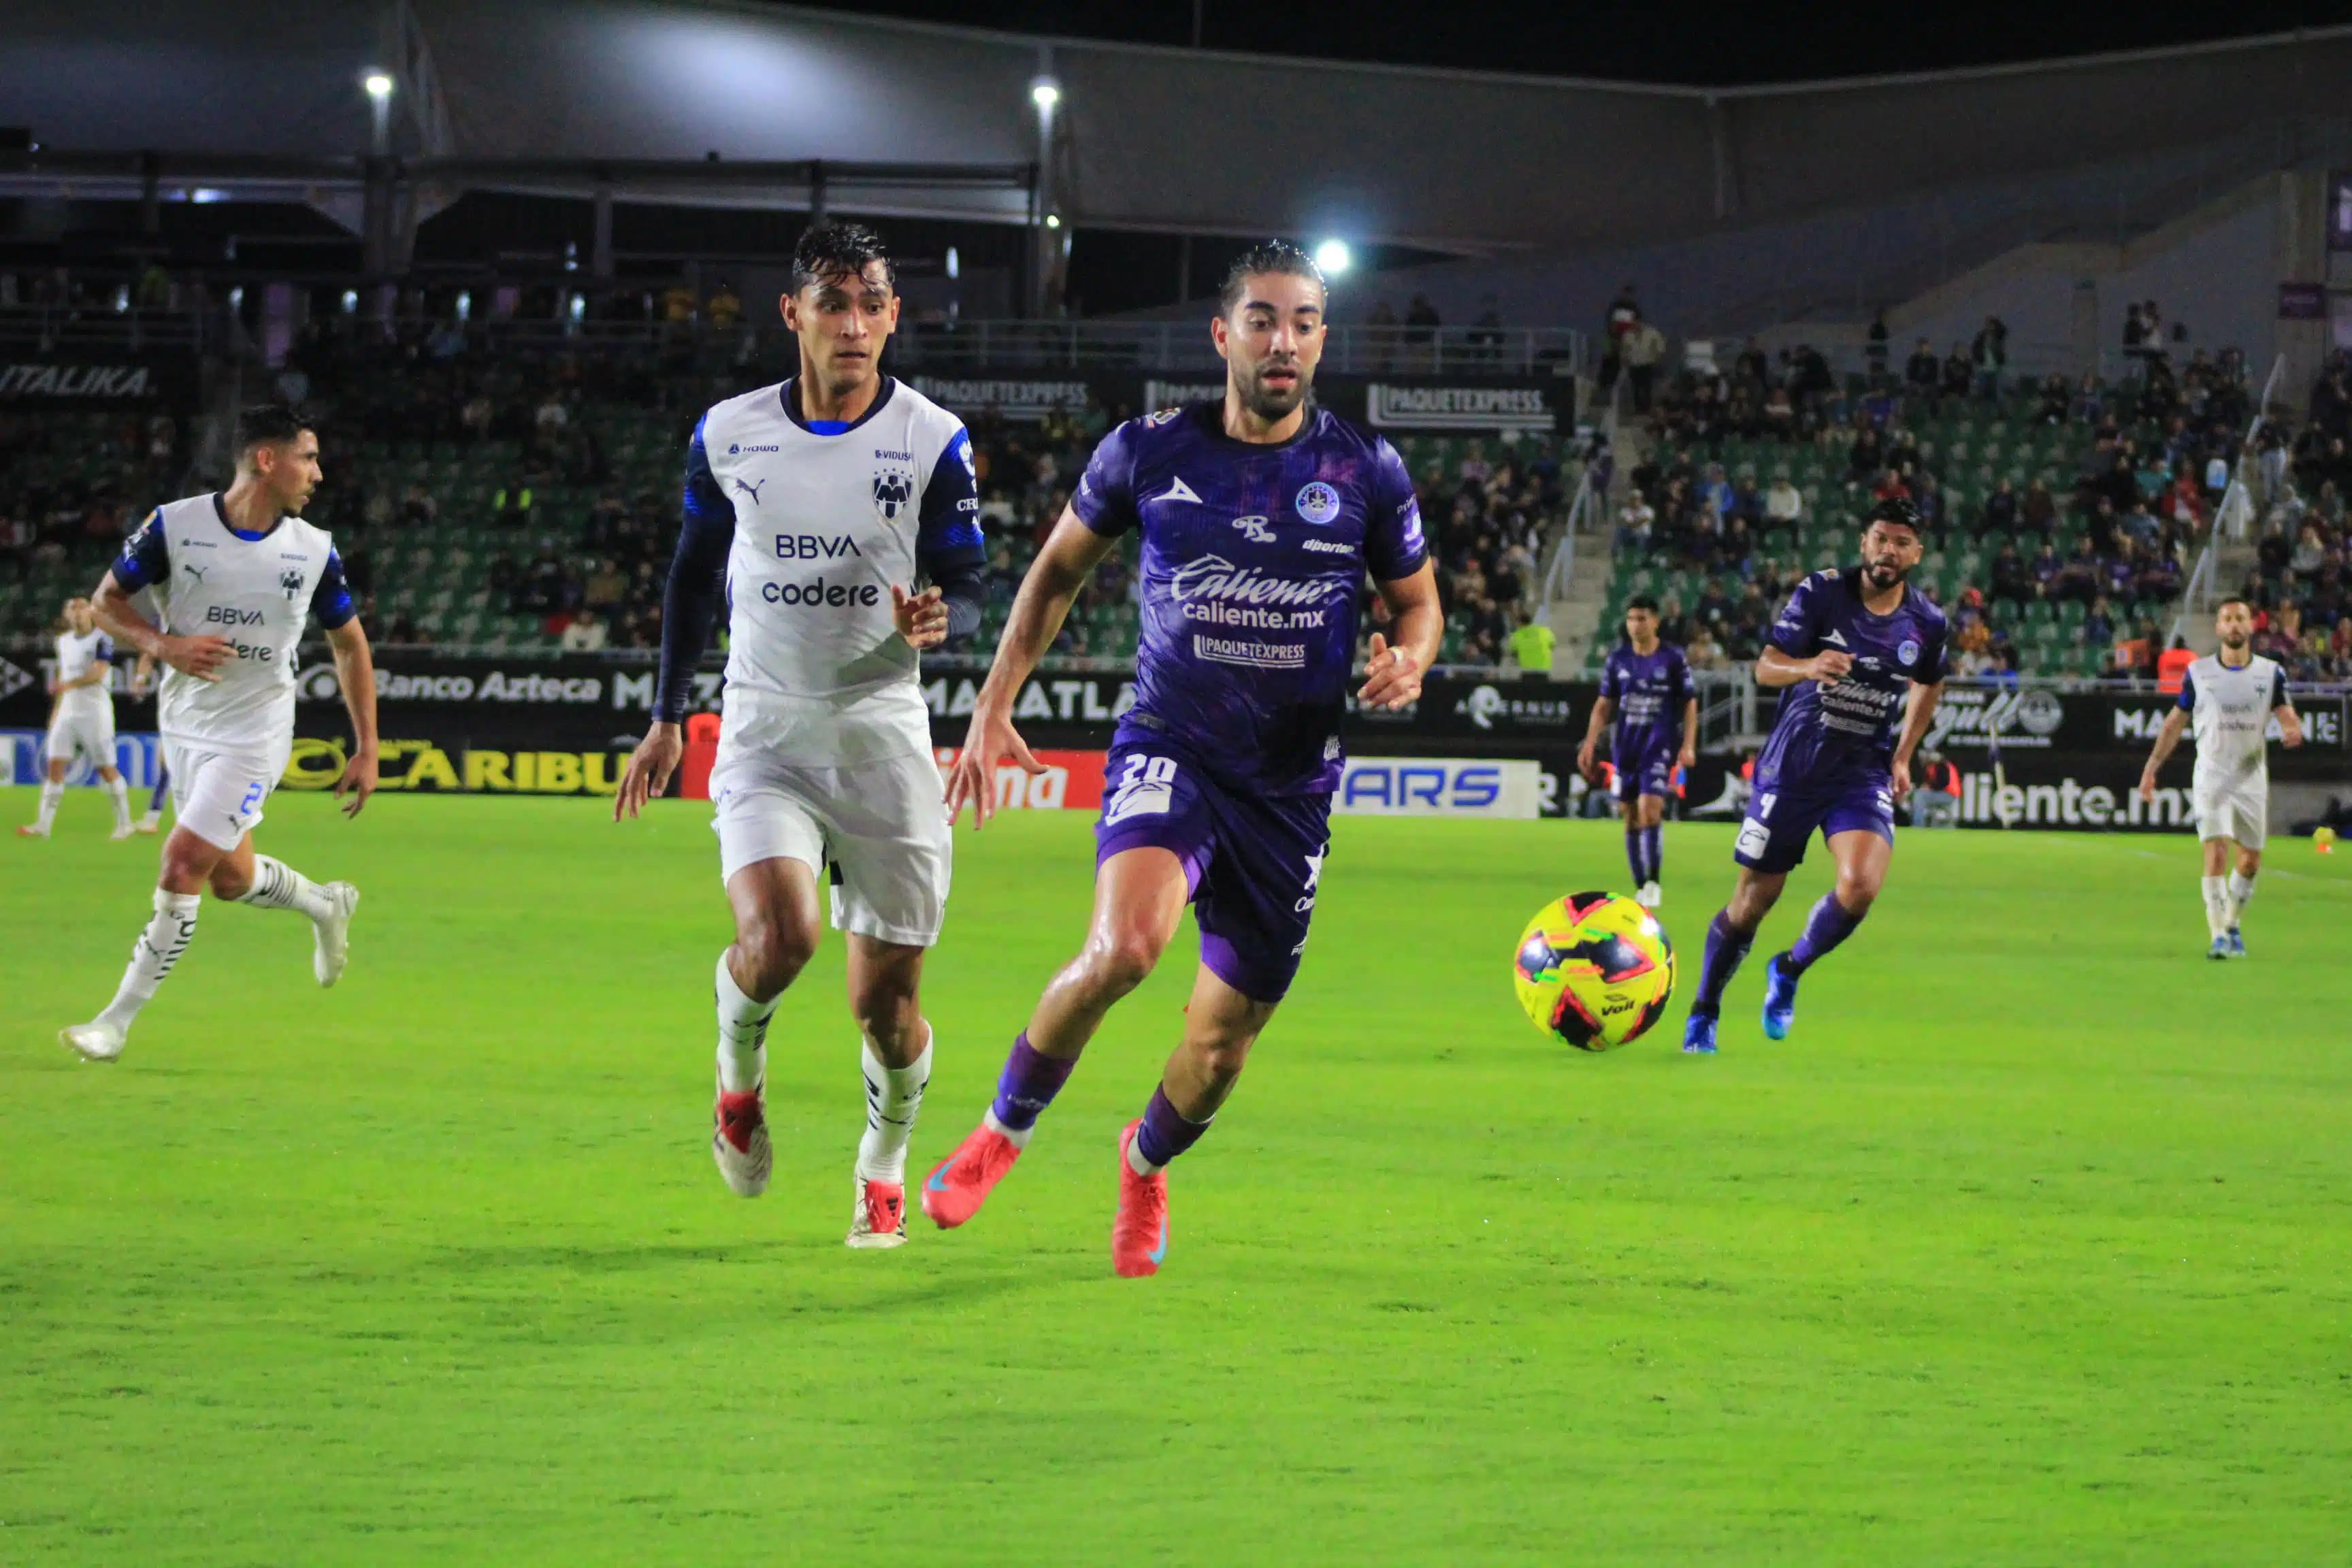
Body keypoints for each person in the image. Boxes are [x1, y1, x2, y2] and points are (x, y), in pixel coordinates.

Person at [922, 241, 1441, 1278]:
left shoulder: (1365, 471)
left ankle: (1145, 1160)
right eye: (1261, 319)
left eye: (1301, 321)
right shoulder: (1147, 451)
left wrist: (1411, 661)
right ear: (1223, 335)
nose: (1282, 339)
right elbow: (1055, 573)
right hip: (1173, 746)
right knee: (1123, 949)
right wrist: (993, 701)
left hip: (1291, 789)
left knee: (1218, 1051)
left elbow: (1418, 602)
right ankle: (1002, 1132)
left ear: (1322, 338)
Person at [612, 223, 986, 1248]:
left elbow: (968, 579)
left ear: (895, 316)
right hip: (765, 724)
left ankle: (882, 1164)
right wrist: (662, 715)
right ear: (794, 315)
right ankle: (738, 1082)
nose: (855, 323)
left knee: (887, 1007)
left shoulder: (931, 437)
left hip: (881, 736)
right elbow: (693, 576)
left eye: (872, 303)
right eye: (834, 302)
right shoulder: (730, 432)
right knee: (782, 941)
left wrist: (943, 615)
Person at [60, 404, 377, 1062]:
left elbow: (350, 645)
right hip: (185, 724)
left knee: (180, 862)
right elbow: (104, 604)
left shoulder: (314, 549)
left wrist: (367, 746)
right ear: (267, 459)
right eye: (308, 457)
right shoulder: (173, 527)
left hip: (255, 731)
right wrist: (162, 644)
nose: (317, 473)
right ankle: (323, 903)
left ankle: (114, 1023)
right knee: (228, 879)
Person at [1681, 497, 1948, 1055]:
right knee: (1752, 904)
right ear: (1864, 542)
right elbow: (1764, 666)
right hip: (1792, 771)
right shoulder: (1823, 593)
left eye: (1901, 542)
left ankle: (1790, 968)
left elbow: (1930, 681)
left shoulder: (1927, 621)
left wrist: (1903, 755)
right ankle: (1705, 1009)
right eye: (1880, 537)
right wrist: (1808, 666)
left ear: (1916, 554)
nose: (1888, 549)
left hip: (1859, 775)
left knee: (1859, 889)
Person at [2136, 598, 2303, 958]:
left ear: (2251, 625)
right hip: (2212, 775)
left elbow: (2287, 713)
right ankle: (2218, 936)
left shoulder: (2270, 673)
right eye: (2227, 619)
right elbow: (2174, 724)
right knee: (2216, 853)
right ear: (2218, 628)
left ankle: (2233, 923)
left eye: (2240, 618)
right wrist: (2151, 769)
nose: (2234, 625)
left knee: (2251, 860)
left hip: (2251, 777)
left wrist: (2292, 728)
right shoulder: (2199, 674)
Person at [1578, 595, 1695, 909]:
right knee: (1629, 817)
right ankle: (1641, 884)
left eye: (1642, 618)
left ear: (1655, 621)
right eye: (1631, 619)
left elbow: (1689, 702)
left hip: (1658, 747)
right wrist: (1590, 742)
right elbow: (1604, 705)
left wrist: (1689, 745)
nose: (1636, 625)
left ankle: (1655, 881)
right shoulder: (1618, 660)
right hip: (1625, 749)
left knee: (1650, 809)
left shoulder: (1672, 658)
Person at [17, 595, 133, 840]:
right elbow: (63, 672)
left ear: (91, 612)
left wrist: (66, 686)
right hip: (68, 712)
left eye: (82, 607)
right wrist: (56, 712)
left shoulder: (102, 639)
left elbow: (99, 673)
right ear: (67, 615)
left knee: (106, 769)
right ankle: (43, 825)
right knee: (55, 766)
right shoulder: (63, 642)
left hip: (94, 712)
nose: (78, 612)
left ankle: (125, 823)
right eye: (73, 608)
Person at [1509, 607, 1555, 681]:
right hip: (1543, 670)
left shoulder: (1516, 636)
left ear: (1519, 623)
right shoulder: (1544, 631)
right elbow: (1552, 646)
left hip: (1527, 671)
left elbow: (1513, 653)